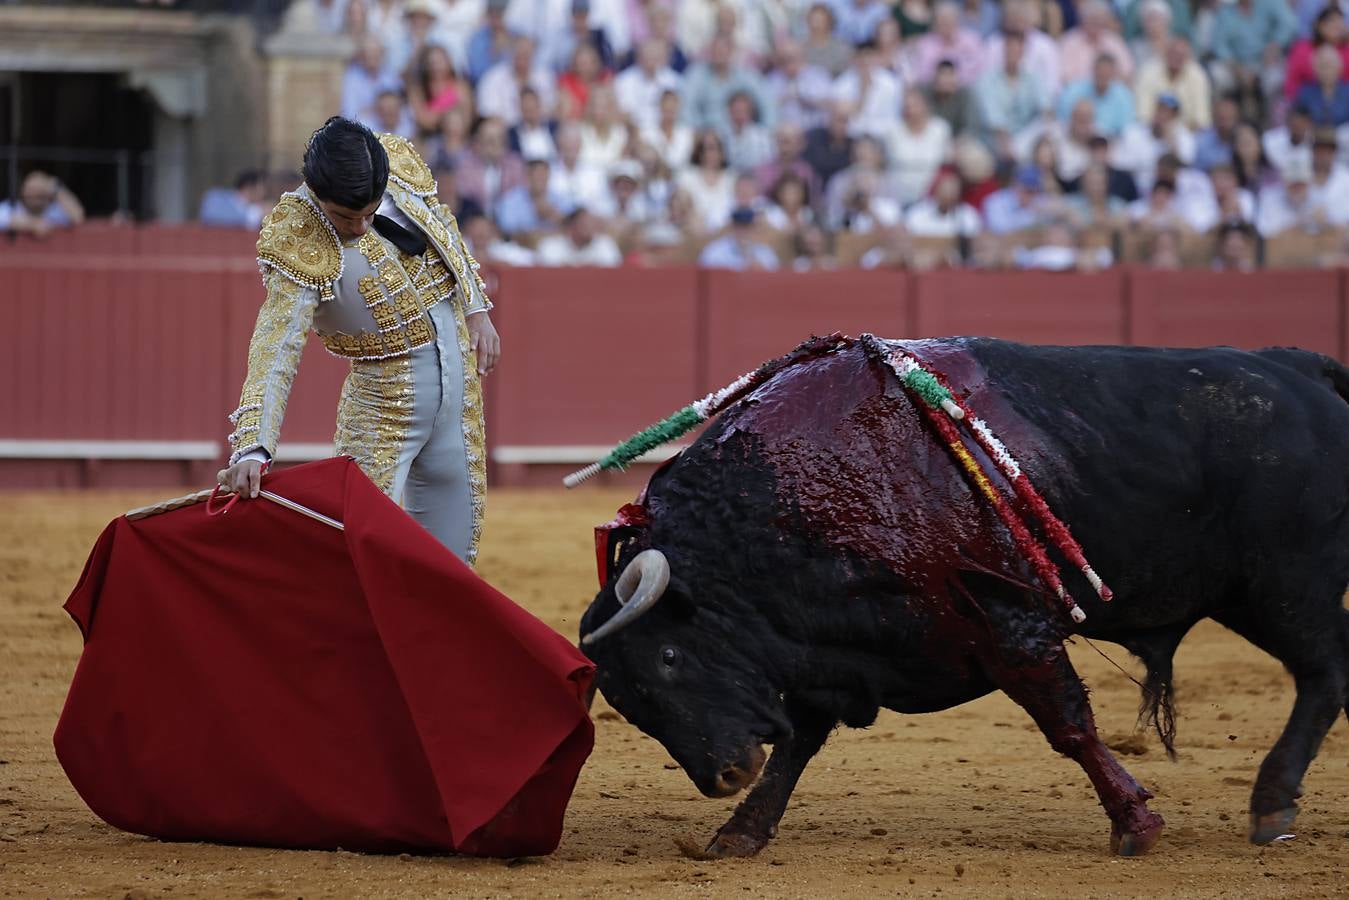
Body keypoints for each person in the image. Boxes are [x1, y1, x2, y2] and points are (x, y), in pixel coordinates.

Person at [217, 118, 500, 565]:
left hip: (459, 395)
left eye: (371, 213)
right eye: (347, 217)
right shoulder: (297, 234)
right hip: (381, 409)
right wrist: (253, 446)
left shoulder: (395, 163)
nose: (362, 227)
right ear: (317, 191)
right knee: (354, 556)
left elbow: (441, 223)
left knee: (455, 562)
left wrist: (475, 306)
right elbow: (276, 348)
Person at [0, 170, 85, 235]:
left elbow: (77, 217)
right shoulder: (11, 206)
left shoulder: (55, 211)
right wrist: (32, 224)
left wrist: (57, 188)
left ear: (49, 195)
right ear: (23, 192)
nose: (34, 195)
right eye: (31, 190)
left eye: (40, 193)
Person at [697, 206, 780, 269]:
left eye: (747, 226)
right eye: (739, 226)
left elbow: (773, 278)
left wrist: (755, 264)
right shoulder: (715, 251)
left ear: (754, 228)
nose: (743, 231)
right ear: (732, 227)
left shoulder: (765, 253)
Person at [535, 207, 624, 265]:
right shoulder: (550, 245)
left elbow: (612, 269)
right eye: (585, 223)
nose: (590, 227)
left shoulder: (605, 244)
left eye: (591, 223)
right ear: (571, 227)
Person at [199, 170, 269, 229]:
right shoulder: (215, 198)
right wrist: (256, 213)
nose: (265, 192)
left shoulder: (254, 207)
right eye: (262, 187)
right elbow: (210, 216)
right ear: (249, 188)